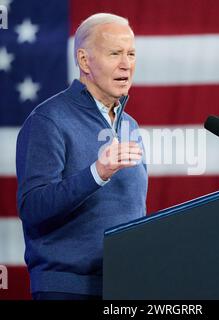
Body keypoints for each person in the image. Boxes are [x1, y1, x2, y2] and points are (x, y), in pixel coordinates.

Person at [16, 13, 148, 300]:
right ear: (85, 60)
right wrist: (97, 173)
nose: (126, 64)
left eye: (131, 53)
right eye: (115, 53)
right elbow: (33, 208)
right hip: (67, 290)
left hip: (127, 287)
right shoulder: (48, 120)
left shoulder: (130, 126)